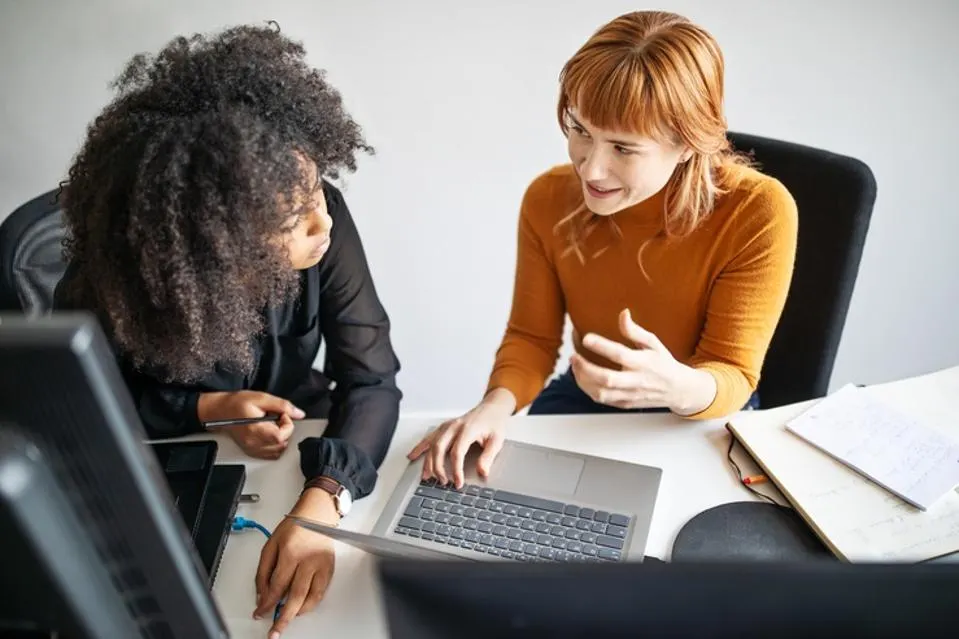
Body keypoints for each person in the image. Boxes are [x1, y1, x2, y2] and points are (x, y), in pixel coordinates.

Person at [53, 23, 401, 638]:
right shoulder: (125, 272)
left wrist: (323, 501)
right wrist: (206, 407)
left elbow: (372, 378)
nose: (323, 220)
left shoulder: (325, 220)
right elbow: (78, 412)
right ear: (219, 241)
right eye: (294, 217)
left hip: (298, 436)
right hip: (166, 473)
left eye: (318, 186)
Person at [410, 10, 798, 488]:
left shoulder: (757, 210)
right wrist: (494, 406)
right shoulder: (546, 198)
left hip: (703, 406)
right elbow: (532, 339)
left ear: (686, 144)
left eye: (623, 148)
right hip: (591, 395)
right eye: (581, 131)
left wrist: (674, 385)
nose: (591, 170)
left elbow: (733, 373)